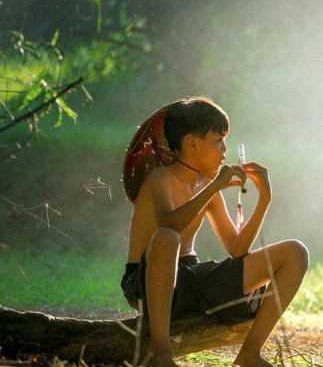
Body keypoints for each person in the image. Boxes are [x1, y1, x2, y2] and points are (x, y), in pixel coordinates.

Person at [121, 96, 309, 367]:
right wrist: (215, 186)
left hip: (191, 278)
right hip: (147, 279)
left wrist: (264, 199)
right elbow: (169, 225)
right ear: (193, 144)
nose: (225, 149)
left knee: (295, 253)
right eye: (219, 140)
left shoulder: (208, 185)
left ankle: (249, 353)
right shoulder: (160, 179)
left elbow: (237, 249)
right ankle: (161, 353)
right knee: (167, 237)